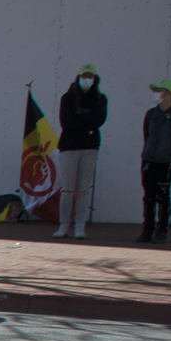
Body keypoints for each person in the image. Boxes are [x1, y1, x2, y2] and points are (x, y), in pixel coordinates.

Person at [54, 64, 105, 239]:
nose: (87, 79)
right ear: (78, 77)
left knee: (84, 189)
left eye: (90, 76)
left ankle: (80, 226)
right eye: (84, 76)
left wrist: (80, 119)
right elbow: (66, 122)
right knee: (67, 189)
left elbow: (99, 120)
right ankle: (63, 225)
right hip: (69, 148)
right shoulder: (67, 98)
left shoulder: (101, 98)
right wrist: (86, 122)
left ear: (95, 79)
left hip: (90, 148)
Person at [140, 80, 171, 244]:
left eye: (159, 91)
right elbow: (146, 135)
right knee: (149, 196)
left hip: (166, 161)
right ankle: (147, 230)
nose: (156, 94)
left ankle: (162, 230)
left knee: (162, 196)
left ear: (168, 94)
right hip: (149, 160)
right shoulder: (150, 114)